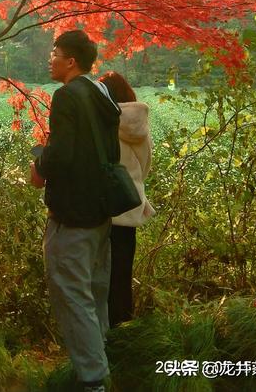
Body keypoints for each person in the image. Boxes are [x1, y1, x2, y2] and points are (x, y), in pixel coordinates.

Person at [30, 30, 121, 392]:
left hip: (72, 216)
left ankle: (92, 380)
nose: (50, 60)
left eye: (54, 54)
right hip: (101, 212)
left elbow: (62, 153)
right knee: (95, 294)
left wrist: (39, 165)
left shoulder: (67, 95)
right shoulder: (101, 92)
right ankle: (102, 367)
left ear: (70, 62)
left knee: (73, 297)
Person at [98, 71, 154, 326]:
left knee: (98, 275)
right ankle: (124, 331)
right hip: (129, 208)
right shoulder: (140, 126)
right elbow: (146, 165)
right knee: (122, 275)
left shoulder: (100, 122)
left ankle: (102, 333)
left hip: (101, 209)